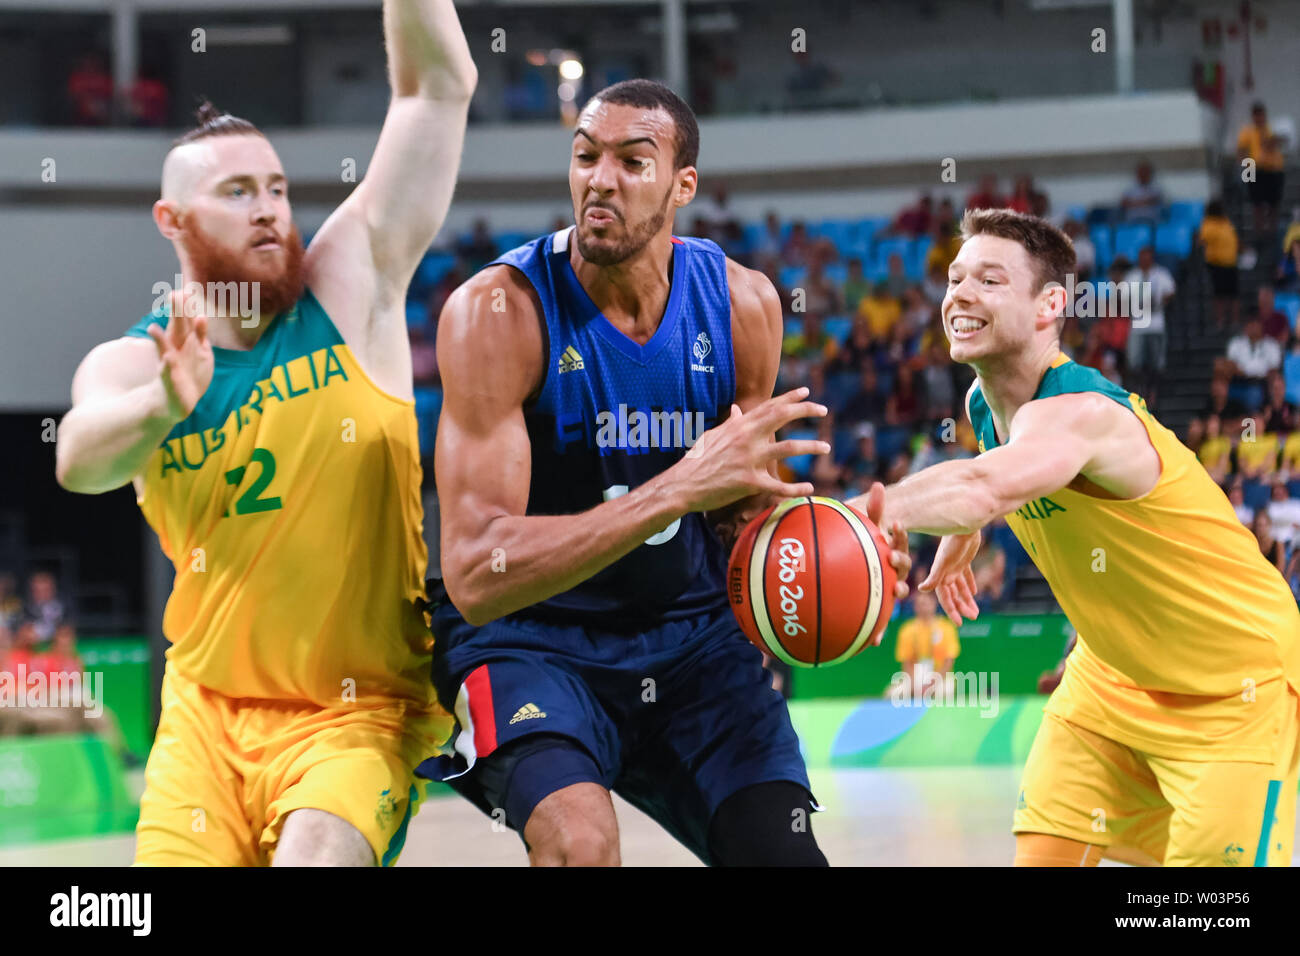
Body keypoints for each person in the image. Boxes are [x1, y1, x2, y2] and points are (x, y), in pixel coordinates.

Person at [422, 78, 912, 867]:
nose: (600, 179)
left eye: (631, 161)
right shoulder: (498, 312)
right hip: (531, 642)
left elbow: (740, 514)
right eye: (585, 157)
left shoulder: (743, 305)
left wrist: (837, 549)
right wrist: (675, 490)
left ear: (684, 184)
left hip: (691, 641)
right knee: (581, 845)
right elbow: (478, 570)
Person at [53, 0, 477, 866]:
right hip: (206, 717)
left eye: (278, 190)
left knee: (318, 857)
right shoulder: (136, 366)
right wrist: (162, 410)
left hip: (357, 711)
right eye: (237, 193)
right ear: (173, 223)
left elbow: (438, 90)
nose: (269, 211)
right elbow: (79, 464)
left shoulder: (350, 286)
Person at [856, 207, 1300, 867]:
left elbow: (984, 484)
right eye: (954, 278)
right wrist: (966, 528)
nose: (960, 294)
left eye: (990, 279)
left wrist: (848, 517)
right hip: (1109, 683)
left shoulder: (1088, 415)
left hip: (1233, 689)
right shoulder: (987, 406)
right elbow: (994, 482)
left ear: (1049, 306)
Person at [1238, 102, 1286, 247]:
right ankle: (1259, 233)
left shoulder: (1271, 130)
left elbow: (1280, 142)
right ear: (1253, 116)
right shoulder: (1247, 131)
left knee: (1274, 203)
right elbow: (1241, 151)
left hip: (1274, 169)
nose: (1259, 118)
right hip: (1255, 168)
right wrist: (1246, 171)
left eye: (1261, 115)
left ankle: (1272, 231)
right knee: (1256, 203)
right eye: (1257, 115)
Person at [1198, 199, 1239, 329]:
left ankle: (1233, 321)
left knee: (1233, 295)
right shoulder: (1208, 224)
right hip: (1217, 264)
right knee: (1220, 295)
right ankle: (1220, 321)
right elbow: (1202, 241)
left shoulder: (1225, 222)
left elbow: (1233, 238)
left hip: (1231, 262)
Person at [1119, 160, 1165, 224]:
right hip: (1133, 222)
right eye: (1141, 173)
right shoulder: (1130, 189)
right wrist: (1144, 202)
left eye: (1145, 173)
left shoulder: (1156, 188)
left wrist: (1134, 203)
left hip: (1151, 222)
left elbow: (1154, 200)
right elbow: (1123, 203)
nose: (1143, 175)